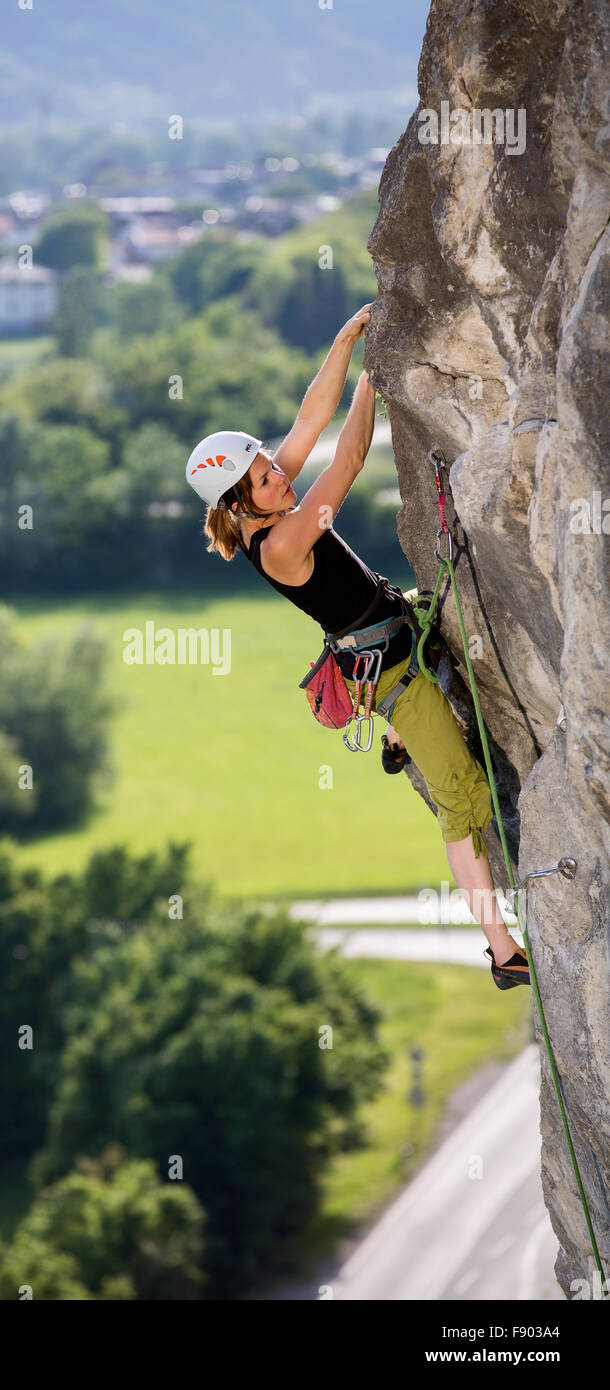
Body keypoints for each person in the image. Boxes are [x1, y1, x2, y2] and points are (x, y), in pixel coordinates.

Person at [183, 304, 530, 991]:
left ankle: (403, 743)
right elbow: (343, 457)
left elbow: (309, 424)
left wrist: (345, 338)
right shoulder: (281, 542)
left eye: (269, 467)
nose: (277, 474)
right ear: (238, 504)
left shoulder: (264, 505)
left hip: (388, 634)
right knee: (462, 797)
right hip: (393, 669)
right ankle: (499, 949)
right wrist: (374, 379)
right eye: (263, 477)